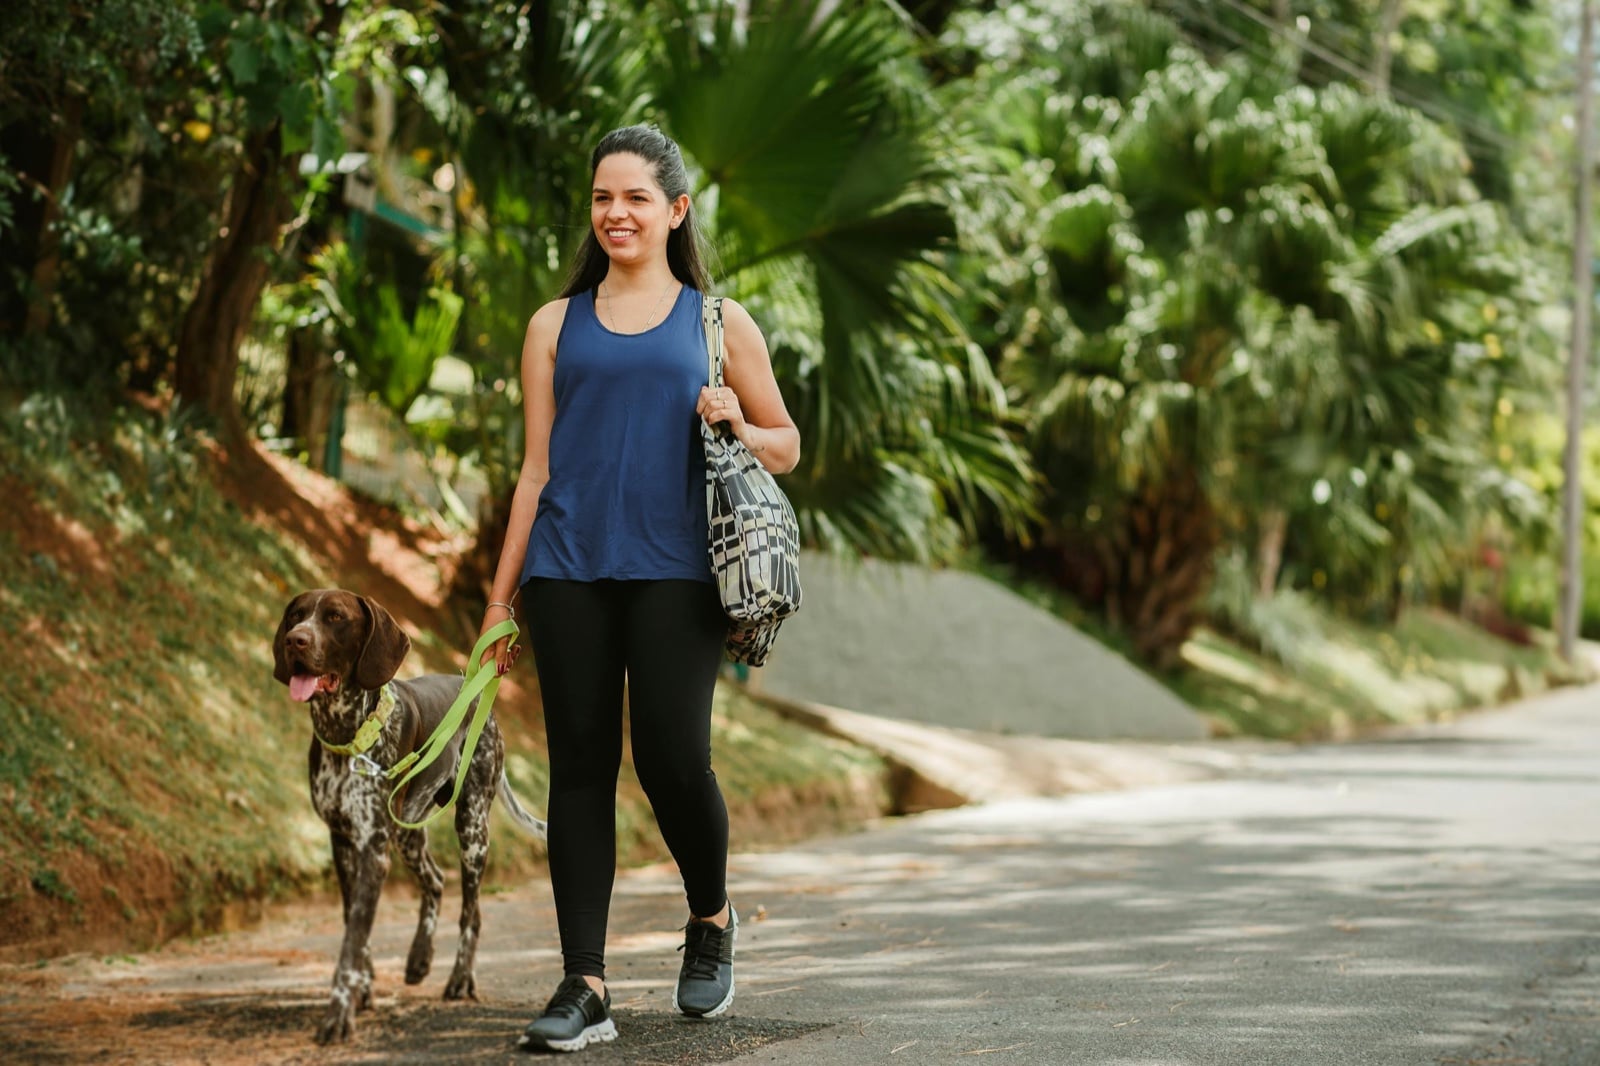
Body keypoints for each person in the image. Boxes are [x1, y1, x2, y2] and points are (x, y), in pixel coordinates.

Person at [477, 124, 801, 1054]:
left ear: (676, 210)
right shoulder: (553, 325)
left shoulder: (717, 322)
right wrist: (499, 603)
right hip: (567, 568)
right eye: (601, 198)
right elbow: (535, 471)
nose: (615, 213)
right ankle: (585, 984)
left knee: (671, 758)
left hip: (679, 568)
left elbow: (785, 445)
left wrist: (738, 419)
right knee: (580, 767)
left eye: (635, 198)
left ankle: (712, 917)